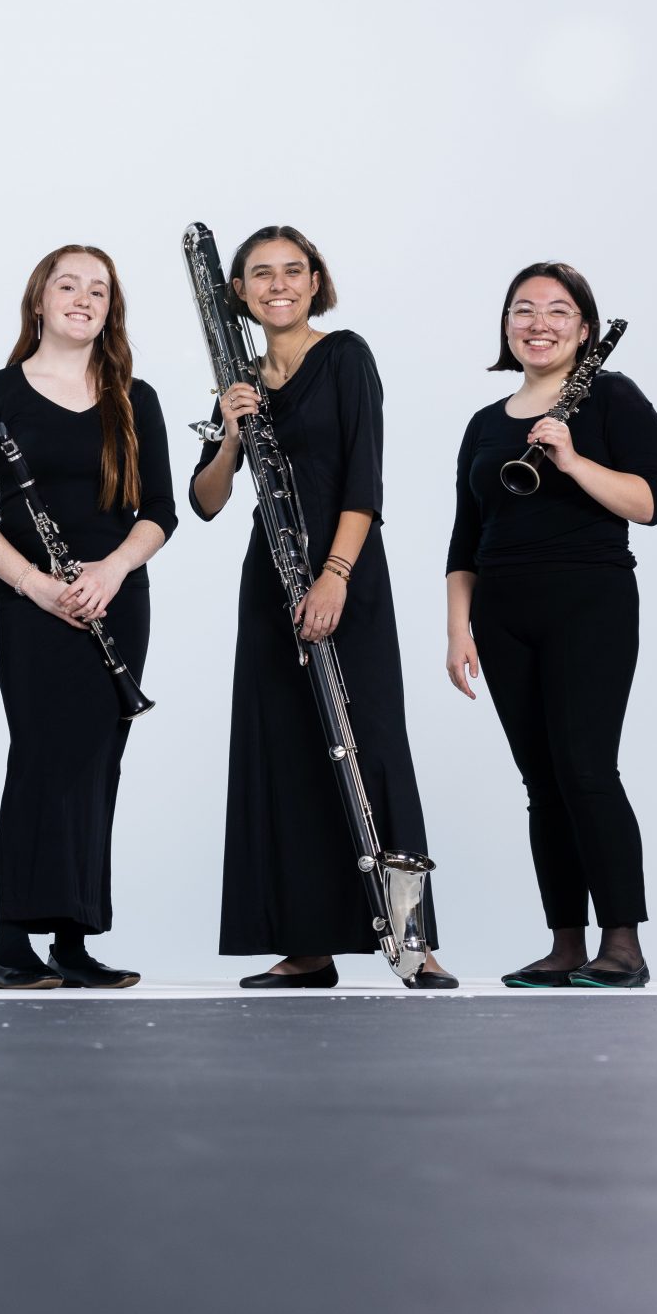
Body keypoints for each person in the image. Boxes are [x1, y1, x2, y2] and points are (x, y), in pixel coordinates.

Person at [189, 225, 455, 989]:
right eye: (260, 274)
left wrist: (335, 576)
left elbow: (364, 483)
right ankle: (307, 946)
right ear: (237, 291)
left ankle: (415, 941)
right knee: (287, 755)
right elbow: (204, 503)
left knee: (372, 745)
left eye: (293, 271)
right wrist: (232, 436)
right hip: (268, 583)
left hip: (347, 577)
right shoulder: (235, 379)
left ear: (314, 281)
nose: (278, 284)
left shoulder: (346, 357)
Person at [0, 245, 175, 989]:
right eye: (67, 285)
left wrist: (112, 570)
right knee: (40, 763)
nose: (82, 298)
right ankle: (13, 946)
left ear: (111, 309)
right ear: (38, 301)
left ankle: (73, 942)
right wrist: (35, 584)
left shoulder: (135, 400)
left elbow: (161, 514)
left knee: (96, 770)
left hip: (116, 602)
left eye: (98, 290)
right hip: (34, 606)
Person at [444, 262, 657, 989]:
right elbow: (464, 539)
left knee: (587, 770)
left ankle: (623, 943)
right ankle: (566, 944)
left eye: (558, 310)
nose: (539, 323)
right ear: (506, 327)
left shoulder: (612, 398)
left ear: (586, 329)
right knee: (541, 782)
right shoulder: (484, 423)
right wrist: (458, 630)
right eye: (523, 310)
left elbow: (646, 503)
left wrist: (570, 458)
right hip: (503, 612)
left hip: (589, 601)